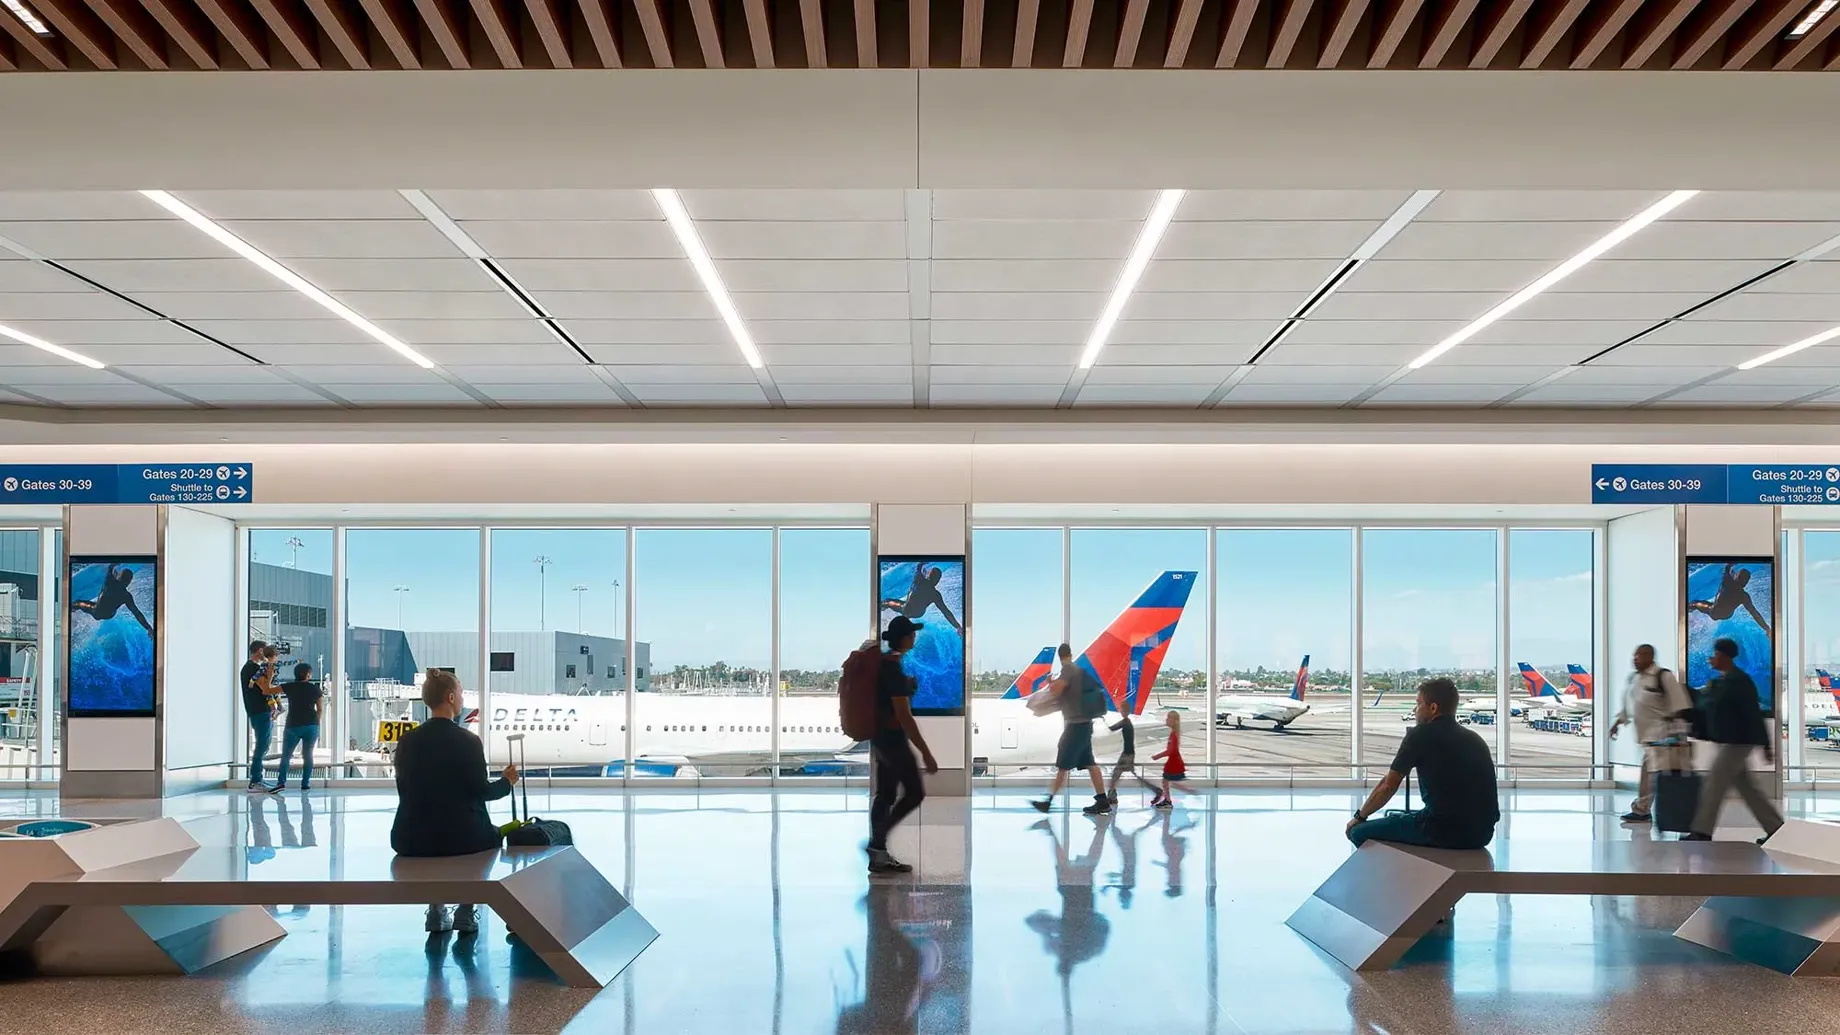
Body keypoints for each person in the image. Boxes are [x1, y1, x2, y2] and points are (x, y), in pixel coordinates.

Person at [392, 669, 520, 934]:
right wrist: (507, 782)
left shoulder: (407, 741)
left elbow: (405, 789)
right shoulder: (468, 741)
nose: (462, 699)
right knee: (489, 833)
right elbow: (482, 791)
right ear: (450, 698)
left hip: (410, 837)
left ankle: (437, 911)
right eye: (461, 693)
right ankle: (464, 910)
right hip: (464, 837)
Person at [1347, 678, 1499, 850]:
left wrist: (1359, 817)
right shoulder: (1474, 738)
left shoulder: (1419, 735)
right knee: (1399, 818)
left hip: (1441, 830)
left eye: (1418, 704)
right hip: (1482, 834)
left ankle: (1398, 872)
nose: (1414, 710)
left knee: (1357, 832)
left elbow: (1388, 785)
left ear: (1433, 708)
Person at [1686, 637, 1783, 843]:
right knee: (1749, 790)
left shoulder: (1740, 681)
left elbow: (1752, 713)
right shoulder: (1722, 682)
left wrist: (1766, 745)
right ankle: (1776, 830)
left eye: (1715, 655)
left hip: (1738, 743)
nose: (1712, 659)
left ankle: (1702, 831)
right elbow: (1705, 704)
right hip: (1730, 741)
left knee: (1714, 784)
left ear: (1724, 656)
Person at [869, 615, 939, 875]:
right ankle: (877, 843)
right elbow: (904, 717)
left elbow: (888, 699)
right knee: (915, 793)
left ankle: (878, 854)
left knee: (885, 795)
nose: (914, 637)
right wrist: (927, 753)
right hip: (894, 741)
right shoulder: (892, 669)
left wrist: (905, 688)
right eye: (911, 634)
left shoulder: (885, 664)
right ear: (904, 638)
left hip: (880, 739)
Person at [1609, 644, 1693, 823]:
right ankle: (1646, 809)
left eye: (1641, 655)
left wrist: (1677, 734)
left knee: (1656, 775)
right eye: (1635, 655)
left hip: (1663, 738)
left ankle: (1646, 810)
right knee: (1652, 774)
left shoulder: (1663, 676)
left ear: (1651, 657)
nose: (1635, 658)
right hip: (1647, 738)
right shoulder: (1635, 679)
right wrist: (1618, 722)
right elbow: (1630, 705)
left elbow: (1680, 705)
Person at [1031, 644, 1109, 816]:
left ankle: (1048, 802)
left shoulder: (1067, 670)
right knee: (1090, 763)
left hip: (1075, 726)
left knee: (1063, 765)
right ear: (1070, 654)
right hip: (1085, 724)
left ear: (1060, 656)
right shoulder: (1078, 671)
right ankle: (1103, 800)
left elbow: (1056, 690)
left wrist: (1050, 682)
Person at [274, 662, 324, 793]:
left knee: (286, 755)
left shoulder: (289, 687)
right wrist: (316, 723)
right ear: (308, 674)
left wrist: (268, 676)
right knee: (308, 755)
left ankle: (281, 783)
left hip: (293, 725)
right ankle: (305, 784)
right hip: (311, 725)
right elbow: (319, 709)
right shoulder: (315, 689)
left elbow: (268, 690)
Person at [1689, 563, 1771, 637]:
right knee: (1717, 603)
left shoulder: (1727, 582)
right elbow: (1754, 613)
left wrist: (1729, 565)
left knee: (1695, 604)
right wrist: (1766, 628)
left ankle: (1687, 611)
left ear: (1736, 577)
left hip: (1714, 611)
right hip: (1727, 615)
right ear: (1746, 583)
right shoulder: (1744, 596)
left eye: (1736, 575)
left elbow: (1726, 569)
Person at [240, 640, 278, 791]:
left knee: (263, 743)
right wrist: (271, 673)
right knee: (262, 744)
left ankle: (257, 780)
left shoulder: (249, 668)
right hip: (260, 710)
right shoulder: (252, 669)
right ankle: (255, 780)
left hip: (258, 710)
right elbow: (266, 688)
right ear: (260, 651)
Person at [73, 563, 151, 634]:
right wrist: (148, 628)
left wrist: (114, 565)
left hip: (96, 611)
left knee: (78, 603)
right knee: (100, 605)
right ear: (129, 582)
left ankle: (72, 608)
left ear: (119, 577)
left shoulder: (110, 582)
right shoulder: (127, 596)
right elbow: (137, 613)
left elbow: (110, 568)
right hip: (109, 615)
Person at [881, 564, 963, 633]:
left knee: (887, 601)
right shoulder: (936, 594)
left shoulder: (919, 580)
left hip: (906, 608)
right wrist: (957, 626)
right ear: (937, 581)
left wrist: (921, 563)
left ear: (929, 575)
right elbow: (946, 612)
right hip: (918, 613)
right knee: (908, 608)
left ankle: (879, 610)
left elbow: (918, 568)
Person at [1104, 713, 1157, 807]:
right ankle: (1112, 796)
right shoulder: (1127, 722)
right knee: (1118, 775)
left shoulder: (1125, 721)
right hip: (1128, 753)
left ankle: (1112, 796)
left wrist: (1103, 719)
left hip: (1127, 754)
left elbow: (1112, 728)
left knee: (1116, 775)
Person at [1150, 710, 1187, 810]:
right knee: (1166, 781)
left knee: (1166, 781)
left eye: (1169, 718)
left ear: (1175, 721)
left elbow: (1171, 751)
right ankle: (1167, 800)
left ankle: (1168, 800)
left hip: (1174, 763)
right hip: (1173, 761)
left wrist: (1158, 756)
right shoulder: (1174, 734)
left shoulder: (1174, 735)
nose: (1166, 719)